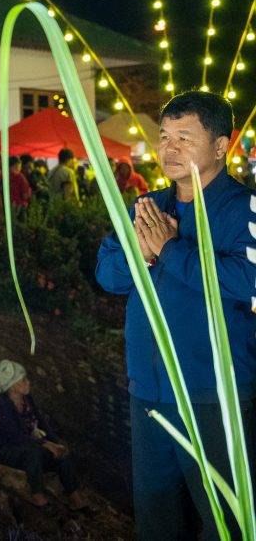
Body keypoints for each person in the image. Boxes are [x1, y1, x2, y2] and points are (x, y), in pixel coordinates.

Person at [96, 90, 256, 540]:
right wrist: (142, 255)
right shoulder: (148, 206)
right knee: (157, 519)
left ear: (221, 145)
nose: (169, 148)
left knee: (224, 520)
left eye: (184, 137)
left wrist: (169, 249)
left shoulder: (242, 208)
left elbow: (247, 279)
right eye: (165, 137)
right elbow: (108, 274)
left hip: (213, 393)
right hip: (149, 390)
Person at [0, 360, 85, 509]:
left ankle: (76, 500)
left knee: (62, 455)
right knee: (33, 452)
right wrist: (46, 444)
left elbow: (41, 423)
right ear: (12, 385)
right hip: (6, 451)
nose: (28, 382)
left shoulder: (27, 400)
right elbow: (15, 437)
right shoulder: (1, 407)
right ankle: (39, 498)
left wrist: (55, 442)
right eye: (23, 380)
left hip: (29, 445)